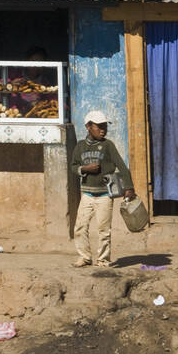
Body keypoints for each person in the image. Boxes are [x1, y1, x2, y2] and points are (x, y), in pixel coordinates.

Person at [70, 110, 134, 268]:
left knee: (104, 230)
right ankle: (84, 257)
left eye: (105, 126)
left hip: (105, 194)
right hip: (87, 194)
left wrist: (129, 187)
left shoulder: (108, 146)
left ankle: (103, 260)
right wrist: (85, 169)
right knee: (80, 227)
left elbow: (122, 167)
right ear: (88, 126)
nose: (103, 129)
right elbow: (73, 166)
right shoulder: (80, 147)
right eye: (99, 126)